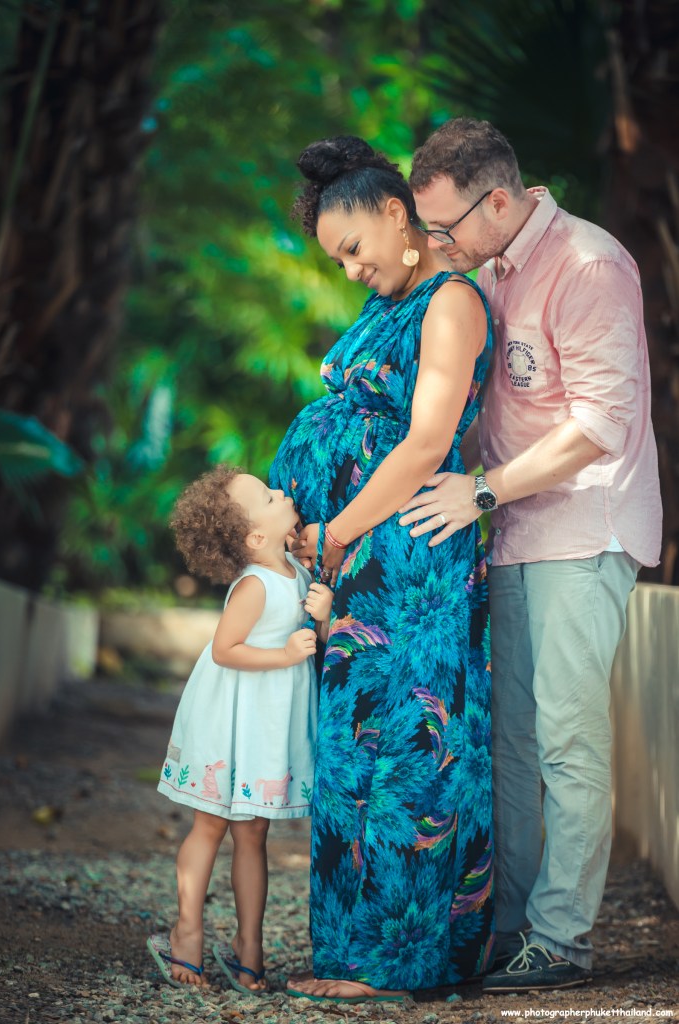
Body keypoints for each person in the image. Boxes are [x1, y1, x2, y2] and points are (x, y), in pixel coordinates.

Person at [398, 117, 662, 993]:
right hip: (514, 530)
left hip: (582, 530)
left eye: (444, 226)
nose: (437, 243)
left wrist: (479, 492)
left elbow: (599, 424)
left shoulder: (588, 265)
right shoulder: (490, 270)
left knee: (566, 742)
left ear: (498, 202)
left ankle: (560, 941)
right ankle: (506, 928)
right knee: (508, 743)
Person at [269, 135, 495, 1003]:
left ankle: (397, 962)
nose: (349, 269)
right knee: (347, 746)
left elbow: (427, 442)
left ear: (398, 217)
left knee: (409, 748)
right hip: (361, 554)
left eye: (353, 249)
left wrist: (335, 532)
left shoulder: (451, 302)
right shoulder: (387, 302)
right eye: (336, 259)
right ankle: (347, 953)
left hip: (407, 559)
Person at [146, 465, 333, 992]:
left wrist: (324, 614)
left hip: (265, 724)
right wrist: (285, 655)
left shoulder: (296, 571)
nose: (282, 491)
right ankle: (187, 933)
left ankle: (249, 948)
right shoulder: (254, 585)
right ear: (254, 537)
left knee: (254, 832)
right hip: (229, 716)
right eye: (269, 498)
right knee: (211, 824)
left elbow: (313, 634)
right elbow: (225, 650)